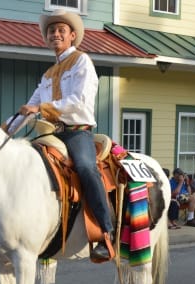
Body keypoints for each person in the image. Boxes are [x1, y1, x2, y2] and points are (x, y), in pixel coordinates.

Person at [12, 9, 114, 261]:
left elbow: (79, 101)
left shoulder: (82, 62)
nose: (55, 34)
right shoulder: (48, 74)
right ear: (46, 38)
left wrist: (41, 108)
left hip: (77, 133)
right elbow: (28, 108)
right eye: (51, 31)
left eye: (61, 31)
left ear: (72, 36)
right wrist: (4, 131)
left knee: (87, 168)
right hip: (50, 134)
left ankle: (105, 232)